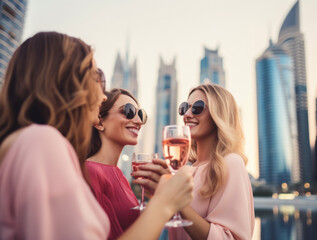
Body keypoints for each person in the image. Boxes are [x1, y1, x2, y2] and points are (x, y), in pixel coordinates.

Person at [0, 31, 193, 240]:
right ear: (66, 81)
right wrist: (164, 204)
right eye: (95, 77)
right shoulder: (41, 142)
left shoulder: (32, 143)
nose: (102, 96)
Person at [168, 84, 255, 240]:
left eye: (198, 107)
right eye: (184, 107)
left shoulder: (231, 163)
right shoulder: (186, 171)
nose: (187, 114)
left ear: (219, 115)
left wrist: (178, 202)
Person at [86, 88, 168, 239]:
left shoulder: (120, 175)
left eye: (140, 115)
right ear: (99, 121)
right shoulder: (90, 172)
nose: (138, 121)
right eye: (129, 111)